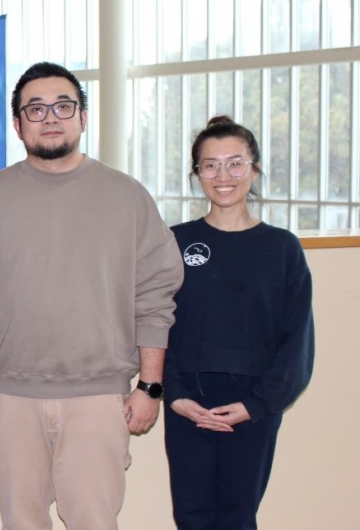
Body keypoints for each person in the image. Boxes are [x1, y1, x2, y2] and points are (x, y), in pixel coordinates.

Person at [0, 61, 185, 530]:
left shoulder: (127, 197)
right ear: (17, 124)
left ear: (83, 117)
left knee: (94, 521)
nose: (51, 117)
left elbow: (155, 295)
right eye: (36, 108)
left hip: (99, 396)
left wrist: (150, 387)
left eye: (63, 105)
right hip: (10, 396)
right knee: (21, 522)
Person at [164, 116, 314, 530]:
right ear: (196, 174)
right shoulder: (173, 241)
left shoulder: (282, 248)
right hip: (187, 399)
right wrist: (173, 393)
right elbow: (155, 321)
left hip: (254, 403)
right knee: (191, 517)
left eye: (235, 163)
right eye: (209, 165)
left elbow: (297, 341)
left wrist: (257, 405)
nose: (222, 175)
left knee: (237, 518)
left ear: (255, 168)